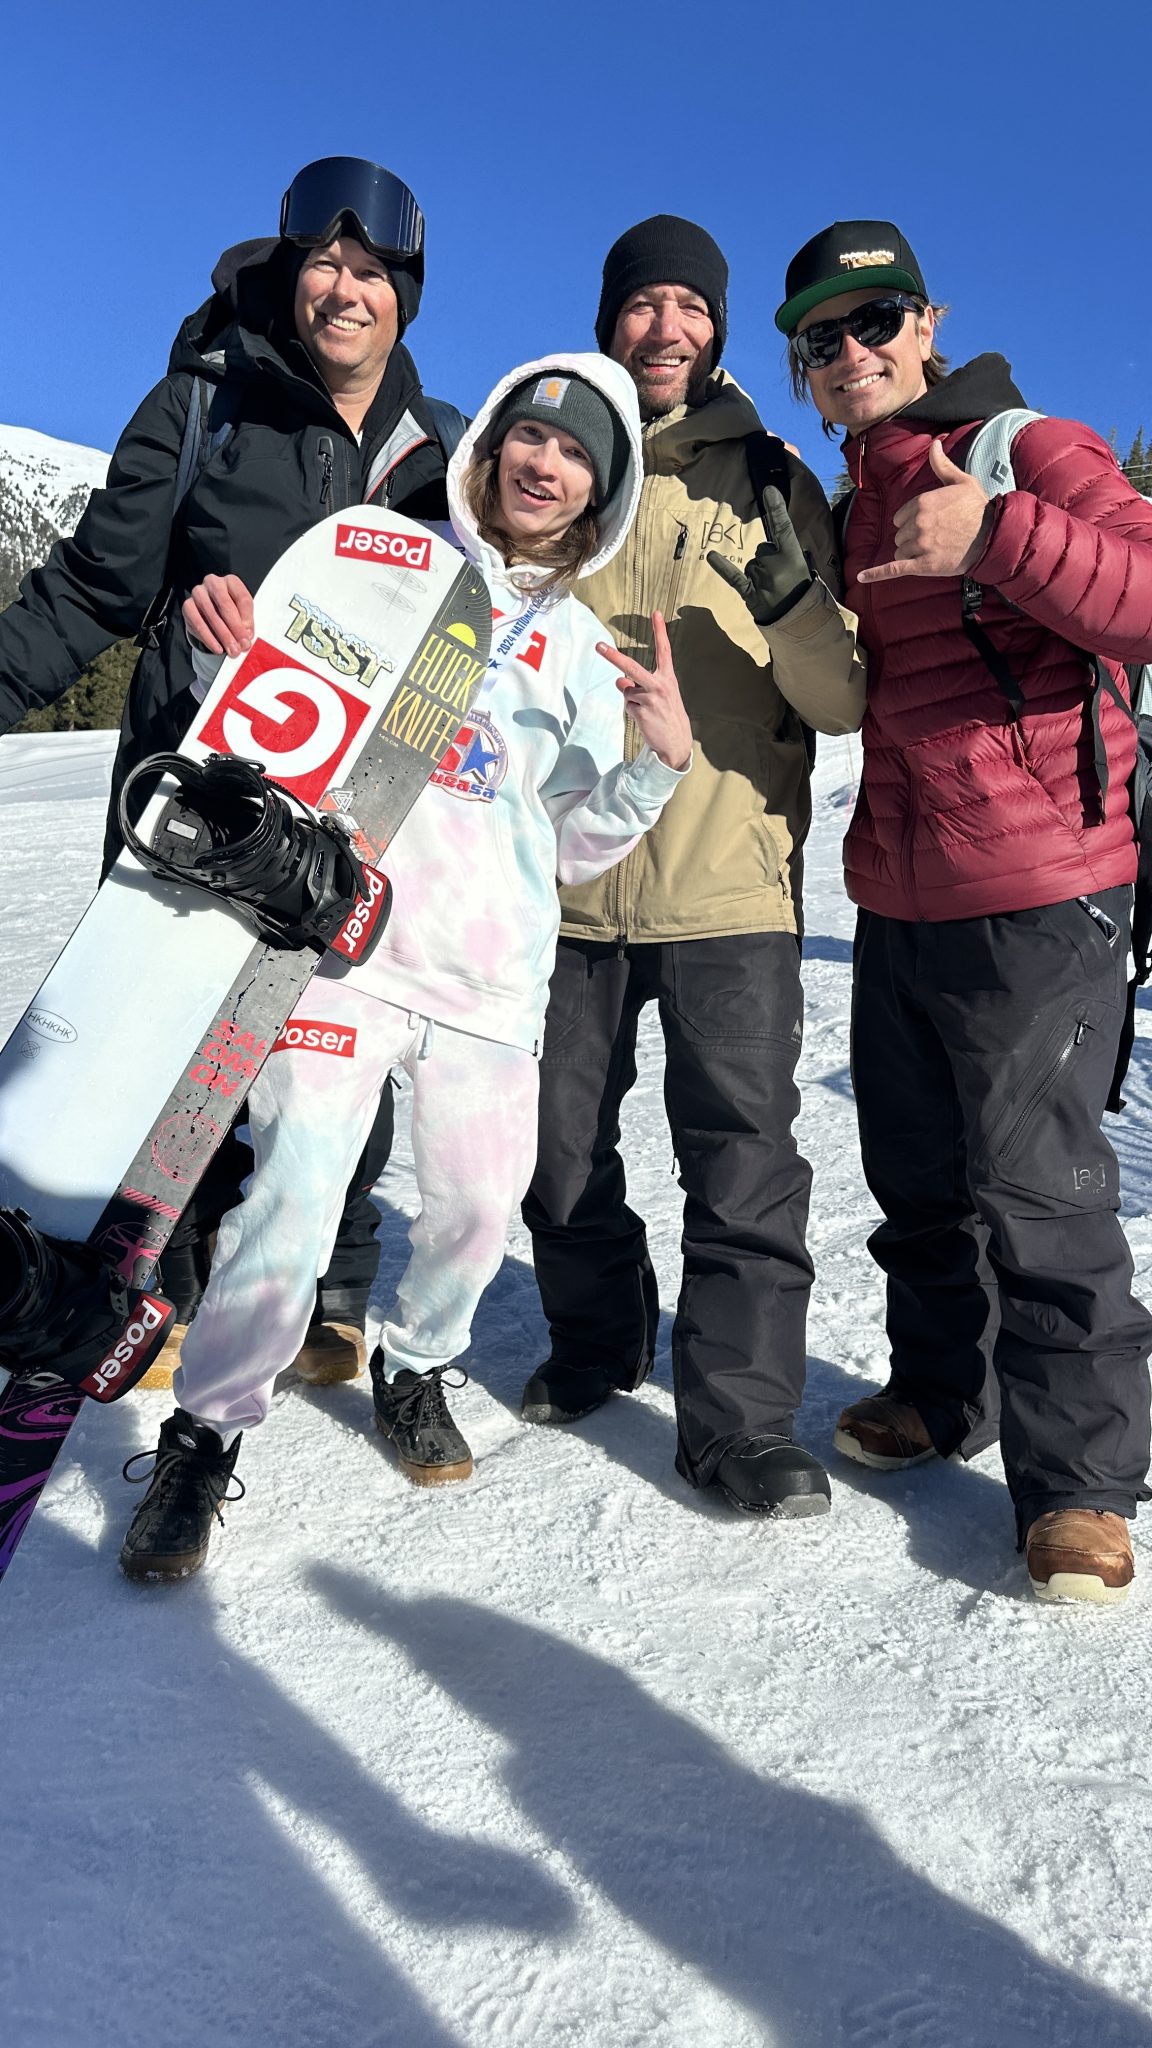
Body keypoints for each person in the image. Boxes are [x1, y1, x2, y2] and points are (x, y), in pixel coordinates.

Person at [117, 351, 694, 1582]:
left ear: (602, 489)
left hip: (490, 983)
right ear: (487, 450)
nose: (544, 464)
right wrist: (235, 653)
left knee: (480, 1211)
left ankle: (418, 1361)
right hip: (347, 954)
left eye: (577, 451)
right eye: (527, 440)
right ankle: (204, 1434)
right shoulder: (385, 571)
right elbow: (288, 725)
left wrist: (654, 760)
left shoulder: (589, 652)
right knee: (293, 1195)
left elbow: (575, 847)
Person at [0, 157, 462, 1385]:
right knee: (166, 1029)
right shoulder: (204, 404)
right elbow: (95, 583)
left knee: (325, 1034)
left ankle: (330, 1282)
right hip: (194, 790)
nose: (345, 291)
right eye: (326, 265)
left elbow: (485, 621)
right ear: (289, 274)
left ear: (405, 294)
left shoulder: (442, 453)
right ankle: (157, 1279)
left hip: (349, 804)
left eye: (372, 272)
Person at [776, 217, 1152, 1602]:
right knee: (919, 1181)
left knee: (1040, 1195)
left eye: (876, 322)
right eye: (824, 339)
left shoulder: (1025, 448)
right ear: (806, 374)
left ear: (927, 325)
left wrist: (999, 532)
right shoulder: (852, 500)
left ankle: (1084, 1482)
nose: (855, 351)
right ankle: (946, 1394)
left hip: (1047, 888)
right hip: (900, 887)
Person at [519, 217, 866, 1517]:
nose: (666, 327)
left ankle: (740, 1422)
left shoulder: (773, 479)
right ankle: (602, 1333)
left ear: (717, 328)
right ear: (608, 319)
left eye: (691, 306)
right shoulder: (560, 462)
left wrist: (787, 600)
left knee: (741, 1162)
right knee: (551, 1155)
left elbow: (839, 702)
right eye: (643, 303)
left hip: (728, 881)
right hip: (565, 881)